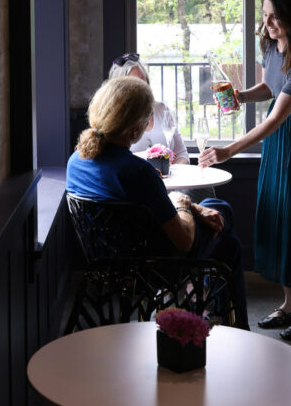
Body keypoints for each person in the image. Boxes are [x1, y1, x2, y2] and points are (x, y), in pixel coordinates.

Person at [199, 0, 291, 340]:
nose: (269, 23)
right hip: (280, 143)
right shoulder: (271, 46)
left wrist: (229, 150)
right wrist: (240, 96)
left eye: (275, 16)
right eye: (265, 16)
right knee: (279, 214)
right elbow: (270, 88)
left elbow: (277, 116)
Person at [67, 75, 249, 329]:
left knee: (227, 241)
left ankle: (221, 319)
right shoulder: (139, 173)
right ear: (135, 130)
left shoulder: (76, 161)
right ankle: (229, 324)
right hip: (155, 268)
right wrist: (184, 202)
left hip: (107, 266)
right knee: (223, 213)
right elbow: (184, 242)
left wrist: (187, 205)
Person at [107, 52, 188, 163]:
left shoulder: (161, 109)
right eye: (134, 82)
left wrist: (172, 173)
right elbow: (113, 161)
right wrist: (148, 157)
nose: (141, 85)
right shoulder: (113, 119)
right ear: (120, 89)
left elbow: (182, 153)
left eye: (142, 79)